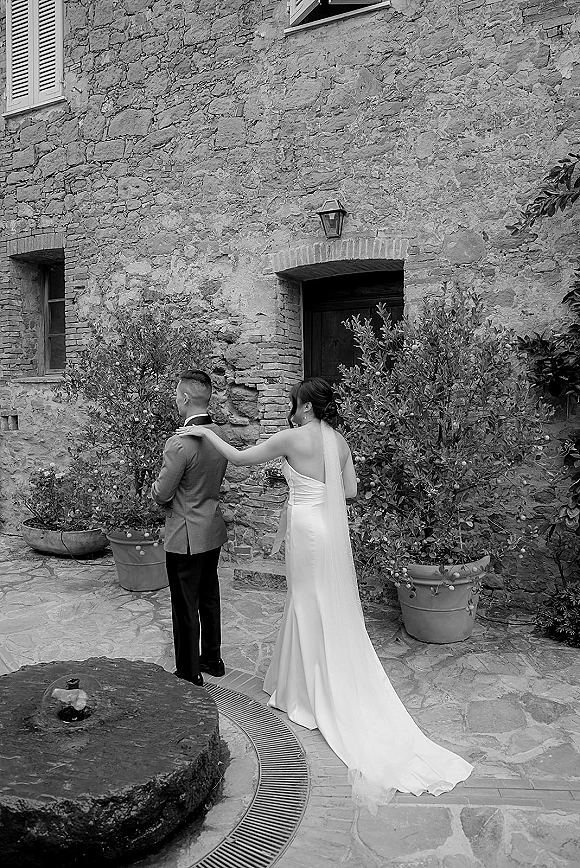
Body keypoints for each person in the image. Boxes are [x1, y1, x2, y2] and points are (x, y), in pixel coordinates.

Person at [177, 377, 473, 810]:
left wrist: (205, 432)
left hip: (305, 529)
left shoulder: (294, 438)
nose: (292, 410)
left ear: (307, 407)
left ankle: (309, 694)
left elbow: (239, 458)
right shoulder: (340, 442)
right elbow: (349, 491)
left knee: (305, 602)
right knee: (320, 604)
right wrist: (316, 491)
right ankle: (307, 684)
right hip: (328, 530)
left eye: (296, 403)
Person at [152, 370, 228, 686]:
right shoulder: (221, 434)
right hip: (211, 528)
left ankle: (188, 670)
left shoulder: (179, 443)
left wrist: (153, 490)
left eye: (176, 394)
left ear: (184, 398)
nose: (175, 399)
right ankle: (212, 659)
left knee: (185, 604)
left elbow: (162, 493)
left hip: (185, 536)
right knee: (209, 596)